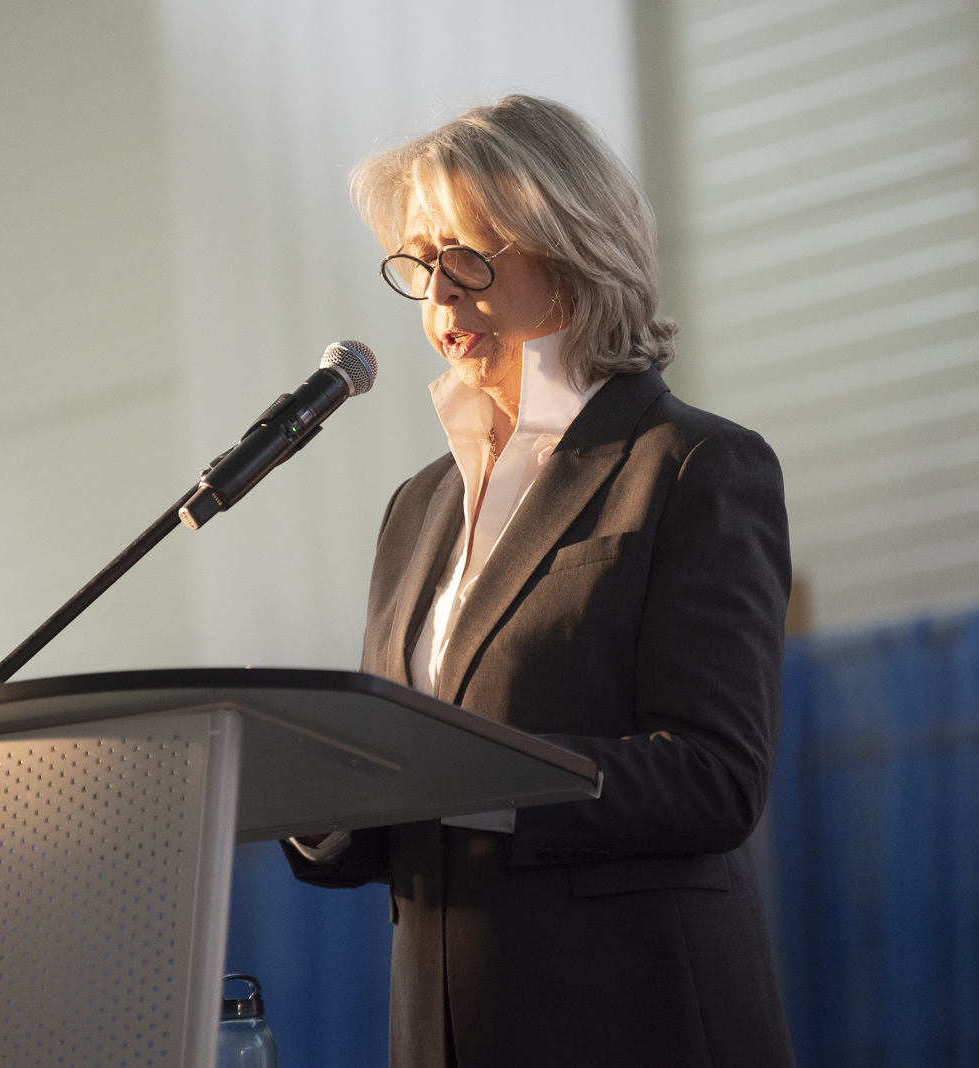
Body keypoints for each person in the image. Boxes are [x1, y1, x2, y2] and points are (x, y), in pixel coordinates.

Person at [280, 95, 795, 1068]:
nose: (439, 297)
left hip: (633, 1025)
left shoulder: (690, 465)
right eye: (419, 264)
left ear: (571, 247)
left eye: (467, 257)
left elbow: (714, 778)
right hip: (443, 1033)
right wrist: (318, 806)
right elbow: (405, 808)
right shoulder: (416, 509)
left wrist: (471, 775)